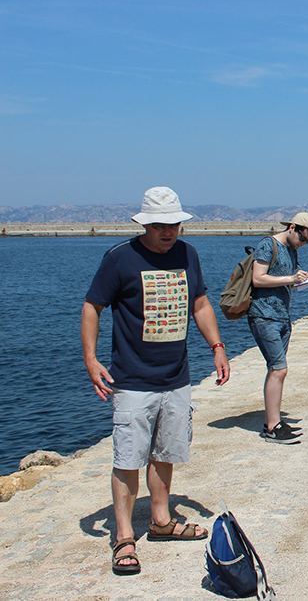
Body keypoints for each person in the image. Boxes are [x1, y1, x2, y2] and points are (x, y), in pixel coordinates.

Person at [81, 186, 231, 576]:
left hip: (176, 377)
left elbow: (199, 302)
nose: (169, 232)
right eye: (161, 225)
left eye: (175, 224)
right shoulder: (119, 259)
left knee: (167, 451)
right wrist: (91, 359)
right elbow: (92, 306)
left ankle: (161, 520)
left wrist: (216, 346)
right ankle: (124, 537)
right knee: (128, 458)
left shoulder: (187, 254)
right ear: (144, 224)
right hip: (131, 380)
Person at [248, 212, 308, 443]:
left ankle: (274, 420)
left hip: (281, 316)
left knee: (276, 370)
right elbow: (258, 279)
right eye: (303, 239)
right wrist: (291, 279)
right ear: (292, 228)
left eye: (307, 241)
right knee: (279, 369)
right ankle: (272, 427)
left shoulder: (292, 250)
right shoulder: (268, 245)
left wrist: (303, 279)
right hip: (264, 315)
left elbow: (286, 279)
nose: (303, 244)